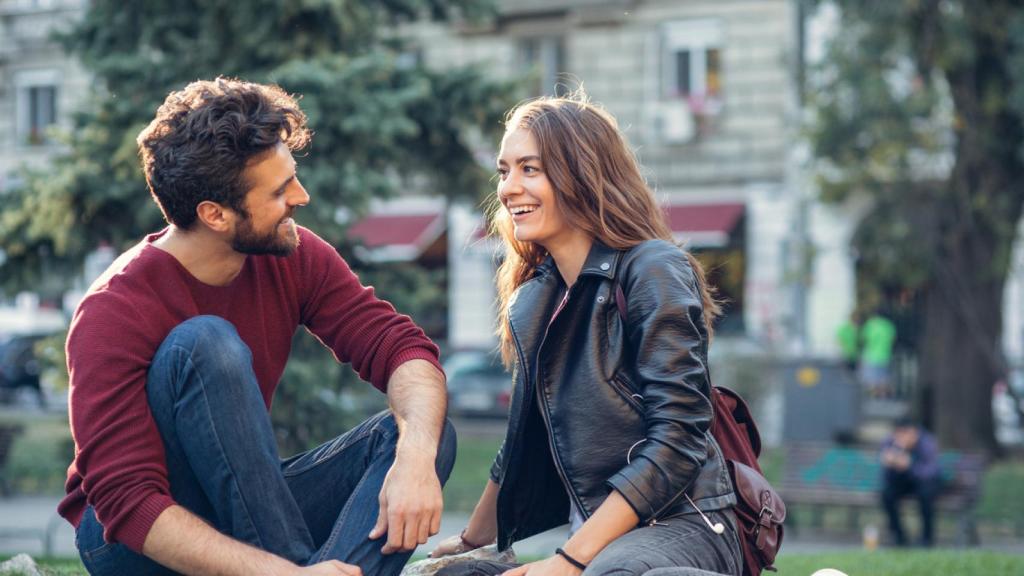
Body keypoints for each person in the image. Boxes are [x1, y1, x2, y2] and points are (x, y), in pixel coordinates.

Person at [59, 78, 456, 576]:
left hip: (244, 513)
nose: (302, 196)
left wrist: (417, 457)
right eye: (280, 189)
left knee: (419, 433)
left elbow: (399, 347)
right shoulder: (114, 309)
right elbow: (129, 502)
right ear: (215, 215)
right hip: (131, 539)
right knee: (204, 344)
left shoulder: (295, 254)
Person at [429, 93, 742, 575]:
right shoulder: (536, 299)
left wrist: (568, 561)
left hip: (685, 523)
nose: (509, 188)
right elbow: (520, 442)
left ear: (582, 172)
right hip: (602, 536)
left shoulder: (653, 269)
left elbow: (679, 440)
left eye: (530, 169)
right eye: (504, 171)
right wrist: (473, 541)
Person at [879, 417, 942, 547]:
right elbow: (886, 475)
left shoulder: (927, 443)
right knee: (887, 495)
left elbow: (931, 472)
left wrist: (910, 466)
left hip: (923, 482)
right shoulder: (890, 441)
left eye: (905, 433)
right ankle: (899, 537)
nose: (901, 437)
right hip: (902, 481)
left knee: (926, 495)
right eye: (898, 433)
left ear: (914, 432)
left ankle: (926, 539)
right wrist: (890, 463)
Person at [859, 312, 896, 397]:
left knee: (871, 379)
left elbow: (863, 339)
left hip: (871, 356)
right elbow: (892, 340)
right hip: (885, 355)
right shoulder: (888, 325)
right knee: (883, 378)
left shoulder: (870, 325)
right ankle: (882, 396)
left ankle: (873, 396)